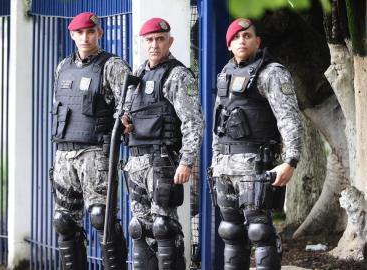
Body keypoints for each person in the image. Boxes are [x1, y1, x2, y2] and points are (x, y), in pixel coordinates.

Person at [210, 18, 303, 270]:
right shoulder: (225, 74)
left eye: (248, 36)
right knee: (230, 231)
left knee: (260, 231)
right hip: (225, 168)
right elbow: (218, 125)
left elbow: (289, 117)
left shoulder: (271, 72)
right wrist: (214, 162)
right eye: (237, 37)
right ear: (229, 44)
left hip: (256, 165)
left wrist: (290, 161)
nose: (242, 40)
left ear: (257, 41)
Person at [120, 18, 204, 270]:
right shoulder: (137, 74)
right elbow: (126, 114)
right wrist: (125, 122)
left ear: (170, 41)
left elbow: (193, 121)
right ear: (142, 42)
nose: (154, 44)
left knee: (163, 228)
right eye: (149, 40)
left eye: (159, 39)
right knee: (139, 228)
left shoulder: (177, 75)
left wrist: (187, 162)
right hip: (136, 162)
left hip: (163, 162)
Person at [50, 12, 131, 270]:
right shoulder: (63, 66)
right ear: (72, 35)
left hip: (95, 152)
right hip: (64, 153)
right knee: (63, 221)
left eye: (90, 32)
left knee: (101, 217)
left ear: (100, 33)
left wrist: (126, 121)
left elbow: (128, 104)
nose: (85, 37)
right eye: (80, 33)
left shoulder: (113, 66)